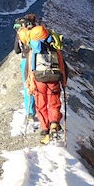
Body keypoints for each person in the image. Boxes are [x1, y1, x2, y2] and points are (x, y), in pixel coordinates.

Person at [17, 16, 67, 144]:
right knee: (54, 103)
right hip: (54, 78)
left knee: (41, 105)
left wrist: (29, 85)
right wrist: (64, 82)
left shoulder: (32, 50)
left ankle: (45, 130)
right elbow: (63, 65)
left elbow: (28, 71)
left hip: (39, 80)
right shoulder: (54, 48)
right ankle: (54, 124)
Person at [13, 14, 36, 120]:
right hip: (36, 59)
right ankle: (40, 109)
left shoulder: (20, 33)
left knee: (27, 85)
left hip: (24, 60)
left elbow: (17, 50)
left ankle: (30, 113)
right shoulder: (37, 31)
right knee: (38, 84)